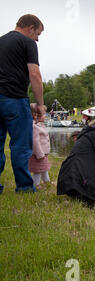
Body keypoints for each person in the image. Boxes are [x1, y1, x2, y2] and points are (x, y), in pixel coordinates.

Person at [0, 14, 45, 194]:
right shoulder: (27, 43)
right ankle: (24, 187)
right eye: (38, 34)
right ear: (30, 28)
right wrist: (40, 104)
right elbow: (34, 75)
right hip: (15, 99)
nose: (37, 39)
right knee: (20, 146)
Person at [29, 103, 51, 189]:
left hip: (43, 153)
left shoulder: (41, 124)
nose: (46, 116)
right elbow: (35, 142)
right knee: (37, 170)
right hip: (38, 154)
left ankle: (46, 181)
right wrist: (40, 154)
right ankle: (35, 184)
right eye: (44, 114)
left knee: (44, 168)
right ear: (36, 115)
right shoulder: (34, 127)